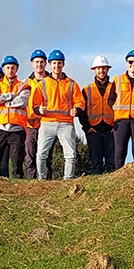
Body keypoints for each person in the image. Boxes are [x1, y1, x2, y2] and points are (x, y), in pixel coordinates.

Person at [32, 49, 84, 180]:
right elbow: (34, 105)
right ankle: (41, 179)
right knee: (41, 154)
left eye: (59, 63)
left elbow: (80, 102)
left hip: (66, 123)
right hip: (47, 122)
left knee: (70, 154)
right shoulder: (42, 84)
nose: (57, 66)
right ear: (50, 64)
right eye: (54, 63)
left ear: (63, 64)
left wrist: (76, 110)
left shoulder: (72, 84)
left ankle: (68, 180)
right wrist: (39, 110)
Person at [0, 56, 31, 178]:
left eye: (13, 67)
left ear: (17, 69)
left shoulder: (24, 86)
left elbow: (22, 102)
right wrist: (11, 95)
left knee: (17, 163)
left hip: (17, 129)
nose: (10, 70)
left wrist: (4, 100)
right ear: (3, 69)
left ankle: (18, 189)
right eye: (7, 68)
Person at [79, 55, 115, 175]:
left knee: (112, 164)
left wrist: (117, 127)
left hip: (111, 130)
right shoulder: (87, 89)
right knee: (96, 164)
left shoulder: (114, 88)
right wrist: (87, 128)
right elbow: (81, 111)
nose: (101, 71)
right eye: (98, 68)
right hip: (94, 130)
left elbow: (120, 108)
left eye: (103, 68)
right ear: (94, 70)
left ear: (108, 69)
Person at [22, 49, 55, 179]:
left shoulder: (51, 81)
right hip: (29, 124)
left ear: (46, 63)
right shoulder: (25, 82)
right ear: (31, 63)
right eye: (36, 62)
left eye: (41, 62)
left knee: (46, 156)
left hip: (47, 124)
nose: (39, 65)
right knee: (29, 156)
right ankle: (31, 183)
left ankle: (47, 183)